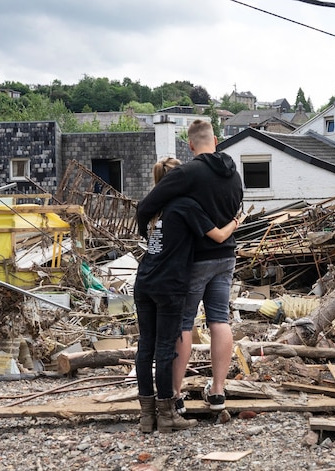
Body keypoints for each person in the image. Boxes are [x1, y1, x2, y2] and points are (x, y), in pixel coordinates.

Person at [136, 119, 244, 413]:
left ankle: (174, 393)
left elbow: (148, 205)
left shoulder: (188, 173)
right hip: (226, 256)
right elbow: (233, 212)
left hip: (195, 259)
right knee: (219, 320)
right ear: (216, 140)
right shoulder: (234, 175)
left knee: (184, 323)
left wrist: (148, 237)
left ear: (191, 144)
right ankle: (218, 391)